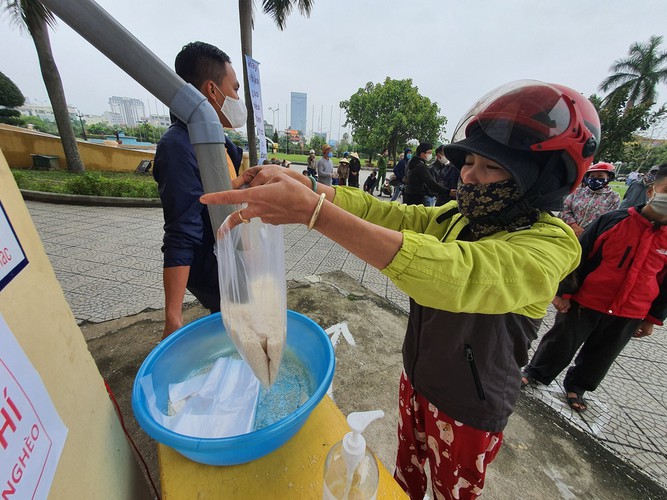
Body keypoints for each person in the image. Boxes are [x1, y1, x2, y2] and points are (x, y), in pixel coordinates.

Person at [200, 80, 600, 499]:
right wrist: (312, 190)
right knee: (403, 477)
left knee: (452, 490)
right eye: (469, 163)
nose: (469, 176)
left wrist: (315, 214)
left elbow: (457, 275)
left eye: (491, 167)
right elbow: (389, 213)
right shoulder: (456, 218)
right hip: (417, 377)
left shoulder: (549, 244)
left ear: (541, 179)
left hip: (470, 406)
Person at [522, 164, 667, 413]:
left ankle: (577, 387)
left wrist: (652, 318)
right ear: (653, 191)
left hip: (630, 311)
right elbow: (578, 257)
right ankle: (536, 373)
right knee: (560, 341)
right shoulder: (614, 221)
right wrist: (564, 292)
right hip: (585, 301)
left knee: (602, 354)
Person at [153, 41, 244, 338]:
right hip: (215, 270)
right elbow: (182, 231)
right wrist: (173, 317)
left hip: (236, 261)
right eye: (235, 89)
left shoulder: (222, 143)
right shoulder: (178, 146)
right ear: (212, 91)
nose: (238, 97)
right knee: (235, 331)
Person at [559, 162, 621, 237]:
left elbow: (609, 220)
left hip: (592, 237)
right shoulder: (577, 192)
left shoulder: (614, 197)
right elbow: (565, 209)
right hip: (568, 232)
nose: (595, 178)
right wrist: (574, 226)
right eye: (592, 176)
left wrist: (588, 233)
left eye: (600, 176)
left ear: (608, 178)